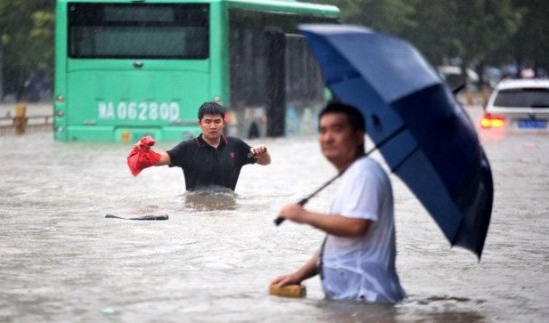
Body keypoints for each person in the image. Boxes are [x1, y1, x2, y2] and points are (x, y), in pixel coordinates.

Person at [270, 102, 405, 303]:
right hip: (350, 302)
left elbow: (356, 226)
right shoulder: (353, 174)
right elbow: (339, 244)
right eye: (323, 131)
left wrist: (304, 216)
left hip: (366, 301)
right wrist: (299, 275)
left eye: (337, 129)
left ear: (359, 136)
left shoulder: (364, 173)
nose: (327, 138)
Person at [127, 102, 271, 191]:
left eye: (217, 121)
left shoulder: (236, 146)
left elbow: (265, 162)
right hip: (196, 209)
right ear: (199, 124)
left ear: (223, 123)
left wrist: (263, 152)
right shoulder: (187, 148)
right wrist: (142, 152)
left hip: (228, 210)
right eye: (207, 121)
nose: (213, 126)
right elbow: (160, 159)